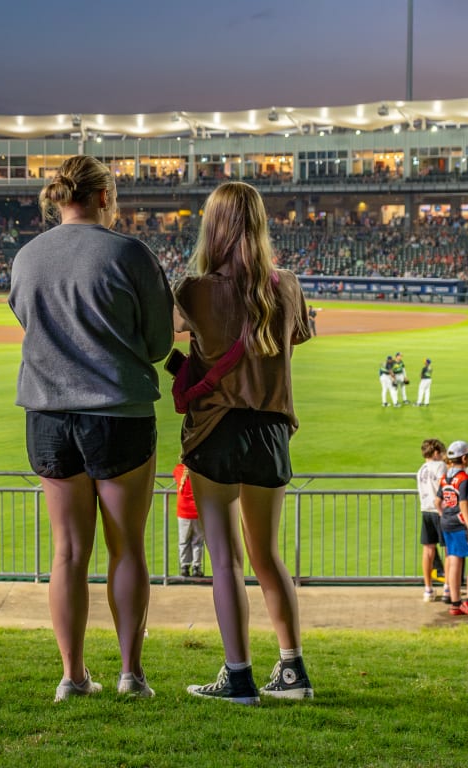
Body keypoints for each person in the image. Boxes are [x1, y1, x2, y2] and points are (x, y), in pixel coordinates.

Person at [7, 155, 174, 701]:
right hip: (118, 413)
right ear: (105, 197)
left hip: (48, 417)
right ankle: (131, 674)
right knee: (126, 548)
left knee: (68, 553)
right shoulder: (130, 253)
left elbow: (26, 322)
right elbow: (157, 346)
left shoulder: (27, 258)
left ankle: (73, 676)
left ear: (60, 198)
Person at [175, 181, 314, 704]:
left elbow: (164, 338)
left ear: (214, 226)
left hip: (215, 431)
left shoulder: (193, 289)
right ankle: (293, 671)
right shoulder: (289, 286)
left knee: (226, 560)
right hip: (272, 429)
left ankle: (238, 677)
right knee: (266, 556)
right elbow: (292, 339)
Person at [438, 440, 468, 621]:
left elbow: (438, 501)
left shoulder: (445, 477)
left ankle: (455, 603)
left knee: (455, 558)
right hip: (460, 524)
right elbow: (464, 504)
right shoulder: (464, 479)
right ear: (465, 458)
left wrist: (445, 515)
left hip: (446, 522)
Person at [415, 438, 447, 602]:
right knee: (449, 549)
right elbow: (445, 486)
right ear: (436, 453)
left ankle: (428, 589)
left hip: (426, 510)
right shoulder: (440, 466)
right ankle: (448, 587)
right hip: (440, 511)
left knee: (428, 550)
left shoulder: (421, 469)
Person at [173, 463, 205, 578]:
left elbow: (175, 473)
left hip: (183, 512)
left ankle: (184, 567)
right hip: (197, 512)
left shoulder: (179, 470)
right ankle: (197, 567)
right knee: (198, 541)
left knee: (183, 540)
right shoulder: (200, 470)